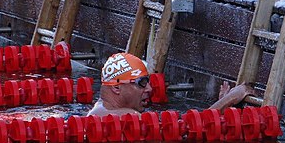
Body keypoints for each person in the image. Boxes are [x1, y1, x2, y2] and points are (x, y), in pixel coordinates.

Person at [88, 52, 257, 117]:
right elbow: (186, 126)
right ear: (117, 88)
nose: (149, 89)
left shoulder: (103, 109)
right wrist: (231, 98)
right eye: (141, 83)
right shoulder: (126, 116)